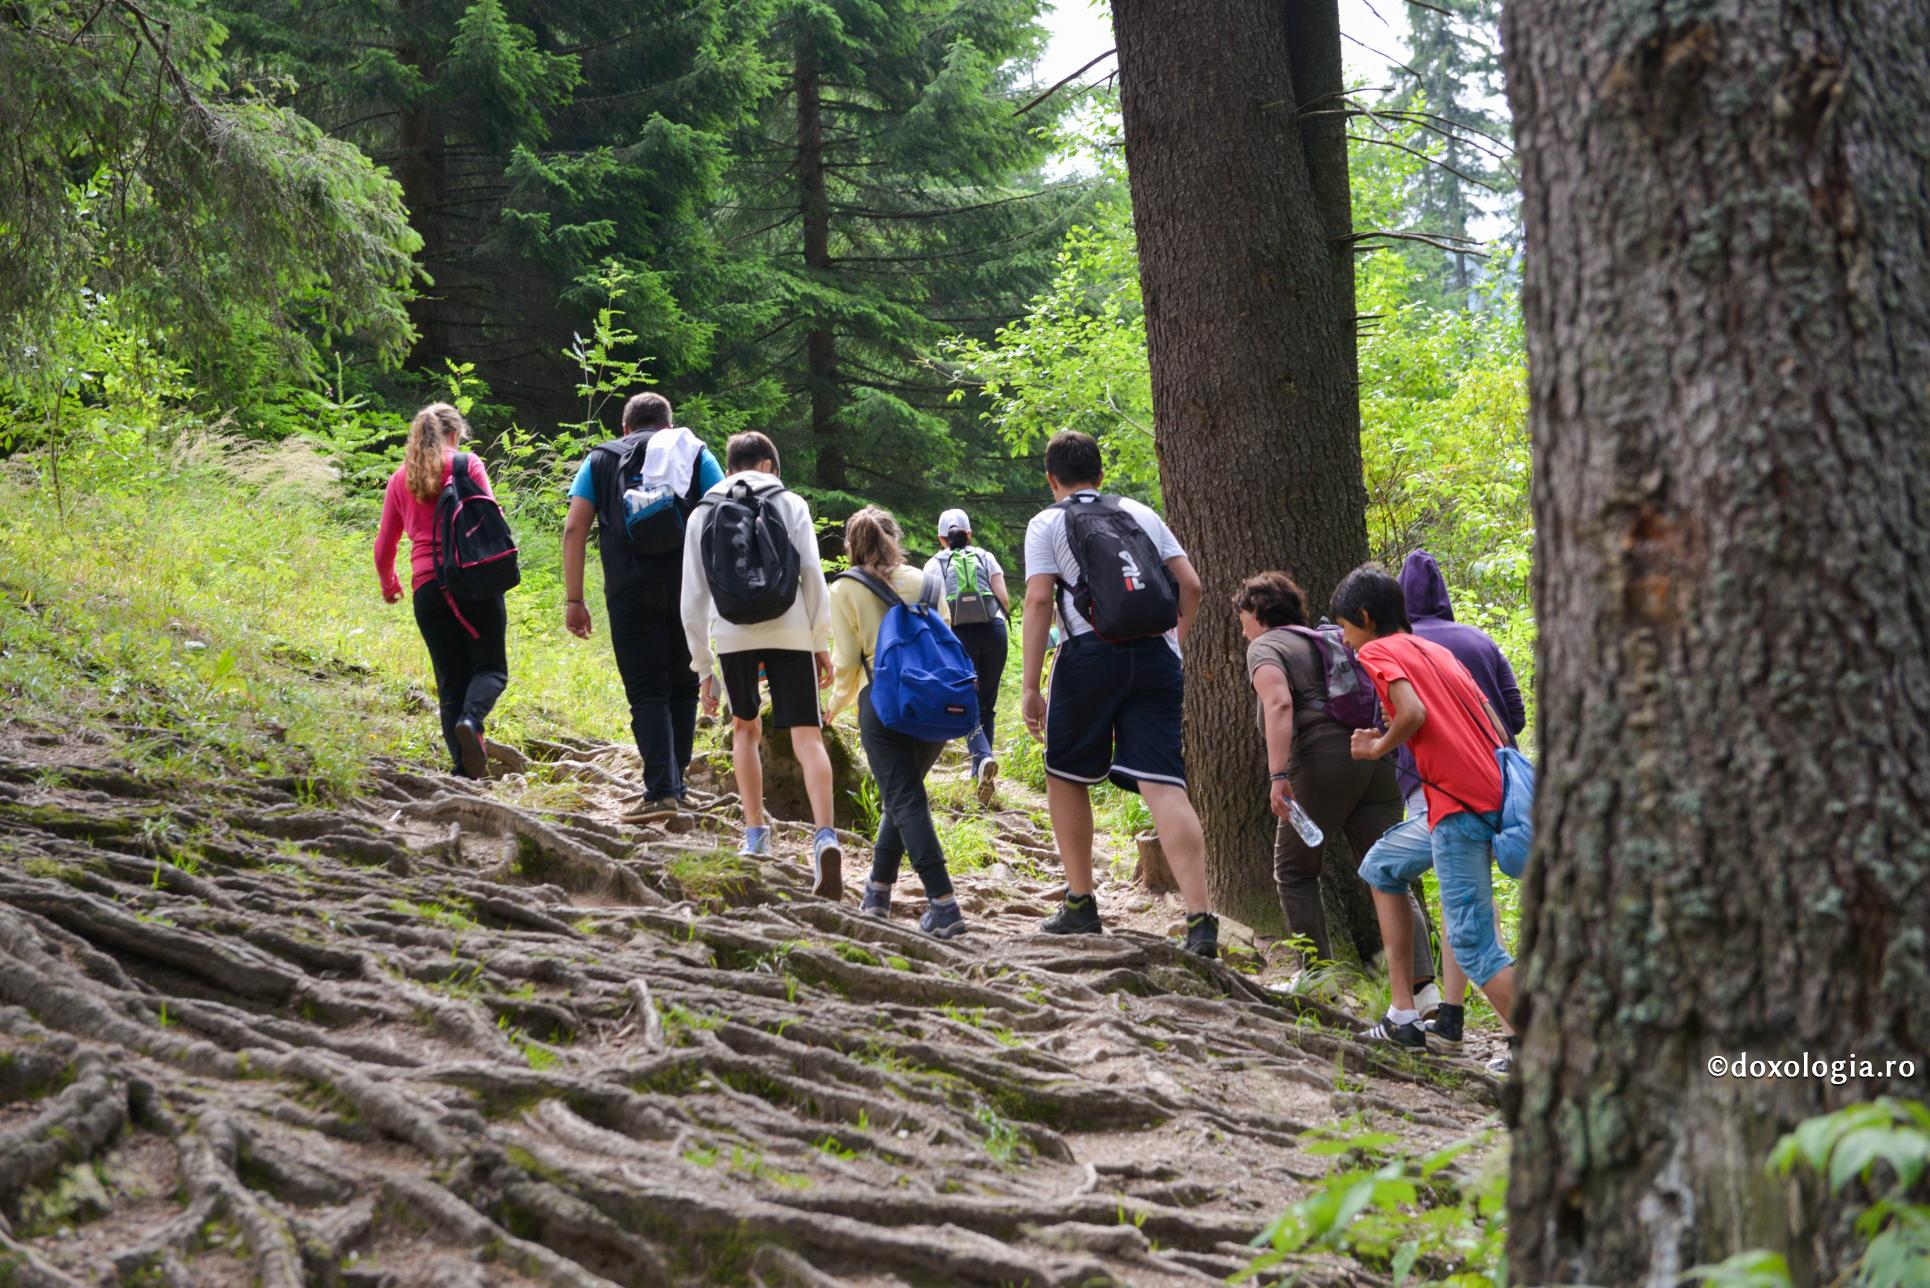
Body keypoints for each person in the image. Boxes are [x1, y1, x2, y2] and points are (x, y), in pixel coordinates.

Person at [1018, 430, 1219, 958]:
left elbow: (1040, 602)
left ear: (1052, 480)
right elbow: (1191, 586)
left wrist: (1030, 685)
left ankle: (1081, 904)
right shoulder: (1138, 511)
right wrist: (1174, 643)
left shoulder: (1047, 522)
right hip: (1155, 658)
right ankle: (1201, 922)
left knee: (1066, 774)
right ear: (1101, 474)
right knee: (1164, 785)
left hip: (1088, 658)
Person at [1333, 565, 1516, 1052]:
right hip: (1479, 797)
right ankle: (1403, 1015)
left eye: (1346, 628)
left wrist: (1376, 748)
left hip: (1458, 809)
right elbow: (1498, 727)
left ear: (1365, 617)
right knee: (1381, 867)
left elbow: (1412, 713)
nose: (1347, 642)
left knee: (1476, 947)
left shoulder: (1378, 650)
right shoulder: (1437, 651)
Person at [1235, 572, 1435, 995]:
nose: (1241, 628)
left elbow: (1279, 702)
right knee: (1388, 870)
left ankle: (1318, 977)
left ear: (1257, 613)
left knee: (1294, 870)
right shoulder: (1329, 637)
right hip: (1375, 757)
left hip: (1320, 761)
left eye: (1242, 618)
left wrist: (1278, 775)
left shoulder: (1265, 646)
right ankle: (1423, 990)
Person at [680, 432, 843, 894]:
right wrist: (819, 643)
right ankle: (824, 837)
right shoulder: (791, 504)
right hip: (790, 628)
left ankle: (755, 836)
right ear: (769, 464)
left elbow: (692, 597)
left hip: (732, 633)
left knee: (745, 730)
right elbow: (812, 574)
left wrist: (703, 668)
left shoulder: (703, 512)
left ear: (730, 467)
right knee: (807, 737)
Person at [561, 393, 723, 810]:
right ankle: (677, 787)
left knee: (647, 692)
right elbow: (725, 518)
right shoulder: (695, 452)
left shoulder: (600, 460)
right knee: (684, 687)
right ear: (668, 425)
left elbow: (574, 528)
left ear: (625, 428)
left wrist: (574, 599)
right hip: (689, 589)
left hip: (629, 591)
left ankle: (662, 791)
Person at [1396, 549, 1527, 1061]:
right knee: (1472, 900)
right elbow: (1512, 714)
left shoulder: (1402, 646)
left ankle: (1501, 1028)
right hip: (1499, 787)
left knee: (1462, 900)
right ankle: (1455, 1016)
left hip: (1436, 786)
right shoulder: (1478, 639)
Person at [828, 508, 966, 938]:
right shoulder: (928, 581)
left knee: (903, 797)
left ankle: (944, 904)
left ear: (853, 545)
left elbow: (847, 662)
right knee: (901, 795)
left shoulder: (845, 589)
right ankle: (877, 892)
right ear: (895, 539)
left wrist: (833, 705)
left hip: (883, 705)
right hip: (935, 707)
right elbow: (944, 638)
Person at [374, 403, 508, 779]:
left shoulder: (402, 477)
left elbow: (384, 544)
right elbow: (490, 514)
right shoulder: (468, 464)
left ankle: (464, 771)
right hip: (472, 580)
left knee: (450, 679)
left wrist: (390, 583)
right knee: (491, 668)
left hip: (427, 589)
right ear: (454, 434)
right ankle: (472, 721)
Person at [922, 508, 1010, 804]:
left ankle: (983, 759)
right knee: (987, 705)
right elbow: (1004, 599)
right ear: (970, 534)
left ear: (941, 538)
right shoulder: (985, 557)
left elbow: (929, 610)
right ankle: (980, 774)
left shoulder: (934, 564)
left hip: (958, 635)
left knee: (964, 702)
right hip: (994, 631)